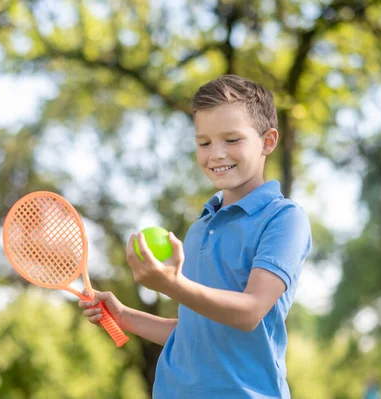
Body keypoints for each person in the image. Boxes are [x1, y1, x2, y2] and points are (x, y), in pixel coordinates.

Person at [79, 75, 312, 398]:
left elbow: (249, 312)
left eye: (232, 140)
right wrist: (124, 317)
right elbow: (196, 333)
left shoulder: (284, 218)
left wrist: (173, 285)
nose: (216, 154)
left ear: (268, 141)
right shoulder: (201, 226)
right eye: (204, 143)